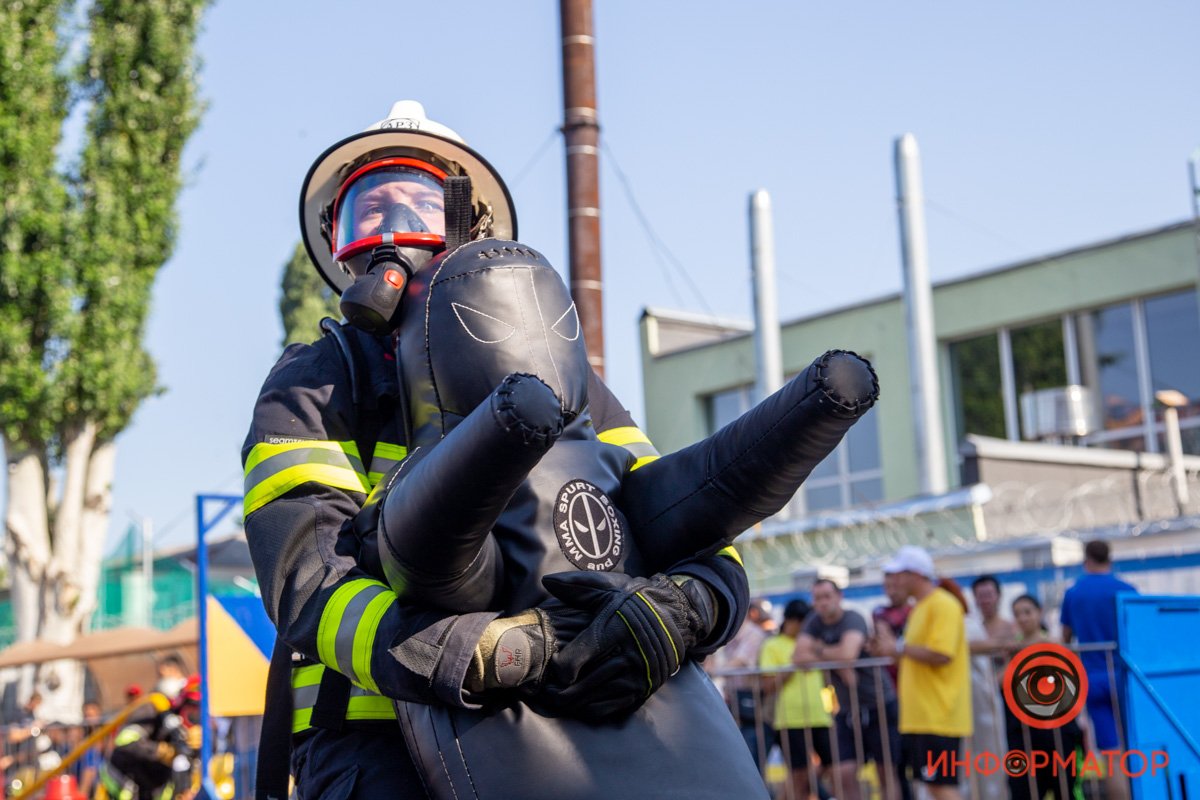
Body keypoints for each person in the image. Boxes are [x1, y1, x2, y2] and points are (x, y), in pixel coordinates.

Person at [244, 100, 763, 799]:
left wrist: (688, 607)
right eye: (367, 209)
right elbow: (310, 582)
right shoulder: (315, 381)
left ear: (468, 228)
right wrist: (484, 653)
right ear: (336, 242)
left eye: (416, 202)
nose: (391, 230)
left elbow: (673, 516)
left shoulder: (564, 375)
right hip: (377, 742)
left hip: (578, 727)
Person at [868, 546, 971, 800]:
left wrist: (897, 647)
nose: (895, 581)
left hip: (939, 716)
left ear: (915, 575)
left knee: (941, 786)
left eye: (899, 574)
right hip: (922, 717)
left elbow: (942, 654)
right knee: (932, 786)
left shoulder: (943, 605)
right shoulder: (922, 607)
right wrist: (887, 648)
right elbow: (912, 655)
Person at [794, 579, 900, 800]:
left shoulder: (853, 617)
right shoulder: (814, 621)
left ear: (839, 597)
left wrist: (818, 649)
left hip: (878, 703)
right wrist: (837, 659)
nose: (822, 603)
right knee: (843, 773)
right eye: (817, 598)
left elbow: (847, 655)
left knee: (885, 772)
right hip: (846, 708)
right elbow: (798, 656)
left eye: (827, 596)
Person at [1060, 539, 1138, 800]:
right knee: (1137, 746)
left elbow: (1066, 638)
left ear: (1086, 559)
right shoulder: (1126, 590)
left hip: (1092, 678)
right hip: (1125, 676)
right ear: (1110, 558)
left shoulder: (1074, 593)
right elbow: (1137, 635)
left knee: (1112, 754)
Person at [1006, 594, 1081, 800]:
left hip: (1056, 730)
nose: (1022, 618)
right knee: (1024, 789)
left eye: (1027, 612)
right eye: (1017, 614)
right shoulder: (1012, 648)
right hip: (1022, 731)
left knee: (1063, 787)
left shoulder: (1053, 644)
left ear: (1039, 613)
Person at [761, 599, 834, 800]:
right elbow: (768, 685)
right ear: (790, 621)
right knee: (798, 774)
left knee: (833, 766)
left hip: (820, 715)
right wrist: (793, 665)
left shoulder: (813, 643)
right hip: (789, 719)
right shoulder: (772, 645)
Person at [100, 676, 200, 800]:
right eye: (192, 710)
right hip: (124, 778)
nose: (195, 718)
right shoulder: (151, 711)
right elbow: (125, 741)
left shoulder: (200, 732)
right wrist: (160, 751)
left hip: (154, 784)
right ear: (181, 702)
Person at [965, 575, 1017, 800]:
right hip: (981, 703)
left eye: (989, 595)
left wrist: (994, 682)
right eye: (980, 596)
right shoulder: (972, 627)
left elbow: (1014, 662)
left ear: (998, 596)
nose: (985, 600)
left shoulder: (1011, 628)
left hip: (1007, 699)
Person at [711, 598, 777, 771]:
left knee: (751, 766)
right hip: (737, 706)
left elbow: (737, 663)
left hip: (755, 709)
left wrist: (712, 672)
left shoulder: (753, 635)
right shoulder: (731, 637)